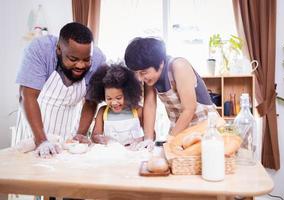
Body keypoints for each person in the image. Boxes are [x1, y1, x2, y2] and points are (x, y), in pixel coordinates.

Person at [15, 22, 106, 158]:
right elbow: (27, 96)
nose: (81, 65)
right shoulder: (40, 50)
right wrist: (41, 141)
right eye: (73, 59)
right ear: (58, 49)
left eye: (86, 59)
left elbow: (91, 101)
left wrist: (80, 135)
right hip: (33, 128)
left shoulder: (98, 59)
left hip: (67, 128)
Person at [124, 37, 217, 149]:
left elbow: (189, 108)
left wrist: (171, 139)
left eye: (143, 72)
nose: (140, 78)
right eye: (137, 73)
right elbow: (150, 105)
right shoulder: (149, 78)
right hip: (180, 130)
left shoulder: (178, 66)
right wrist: (148, 139)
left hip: (205, 129)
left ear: (161, 63)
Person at [87, 63, 144, 148]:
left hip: (134, 155)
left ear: (128, 94)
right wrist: (99, 139)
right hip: (112, 156)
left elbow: (151, 135)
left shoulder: (138, 110)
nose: (114, 103)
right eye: (109, 99)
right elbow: (94, 136)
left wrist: (140, 140)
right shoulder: (102, 111)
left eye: (118, 98)